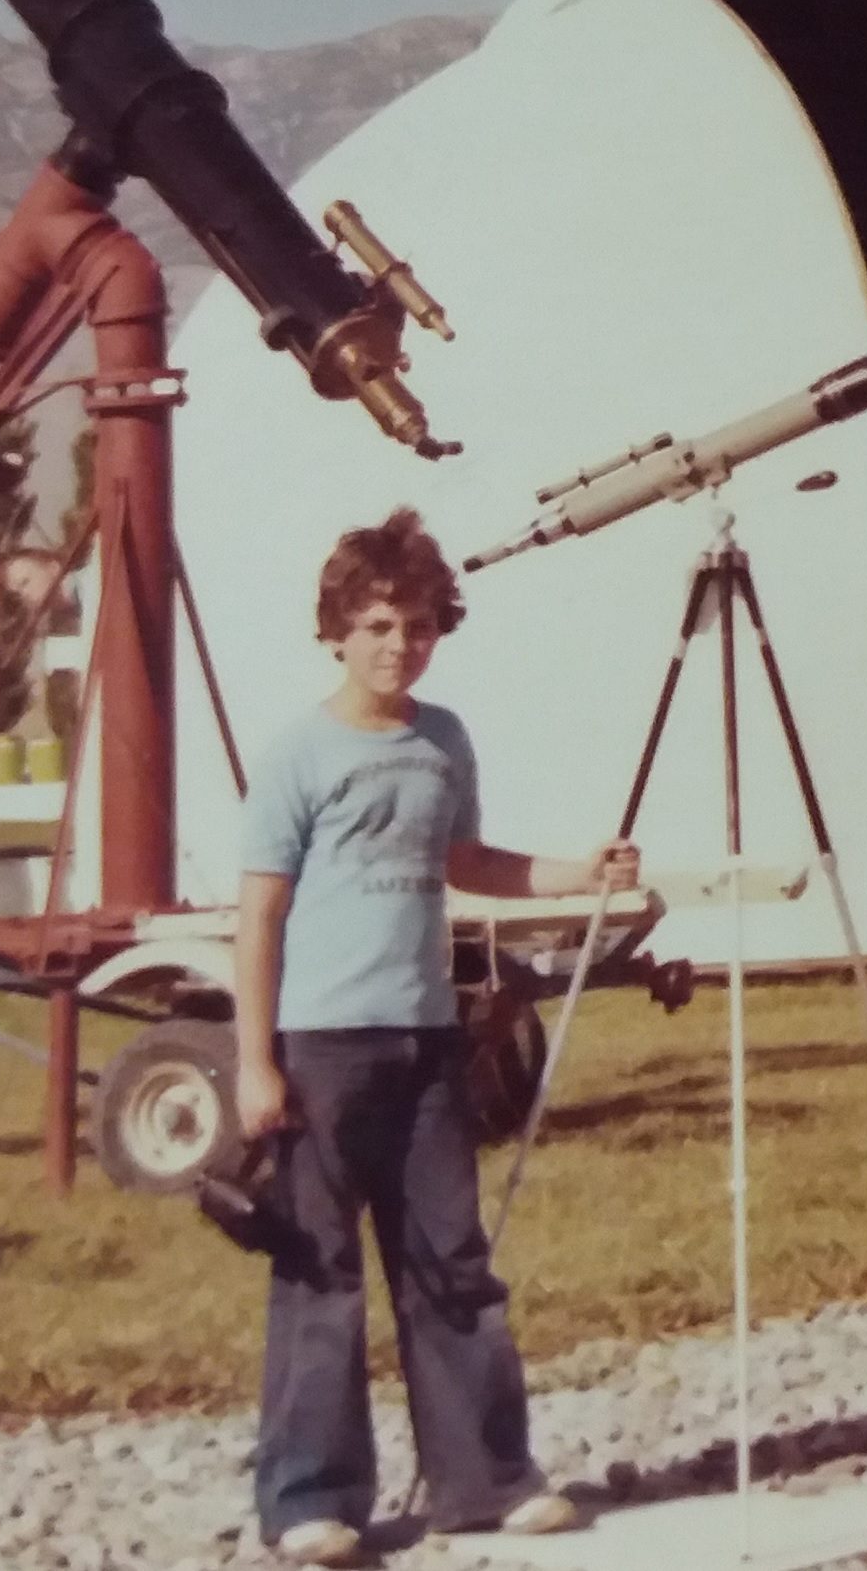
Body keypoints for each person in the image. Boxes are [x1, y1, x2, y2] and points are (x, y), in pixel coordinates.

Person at [235, 507, 639, 1567]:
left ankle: (486, 1480)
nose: (395, 644)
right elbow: (260, 915)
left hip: (424, 1044)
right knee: (319, 1272)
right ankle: (309, 1500)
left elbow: (472, 863)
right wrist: (252, 1060)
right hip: (320, 1047)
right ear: (334, 630)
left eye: (415, 625)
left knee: (451, 1264)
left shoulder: (443, 739)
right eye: (375, 624)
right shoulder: (297, 754)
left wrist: (577, 871)